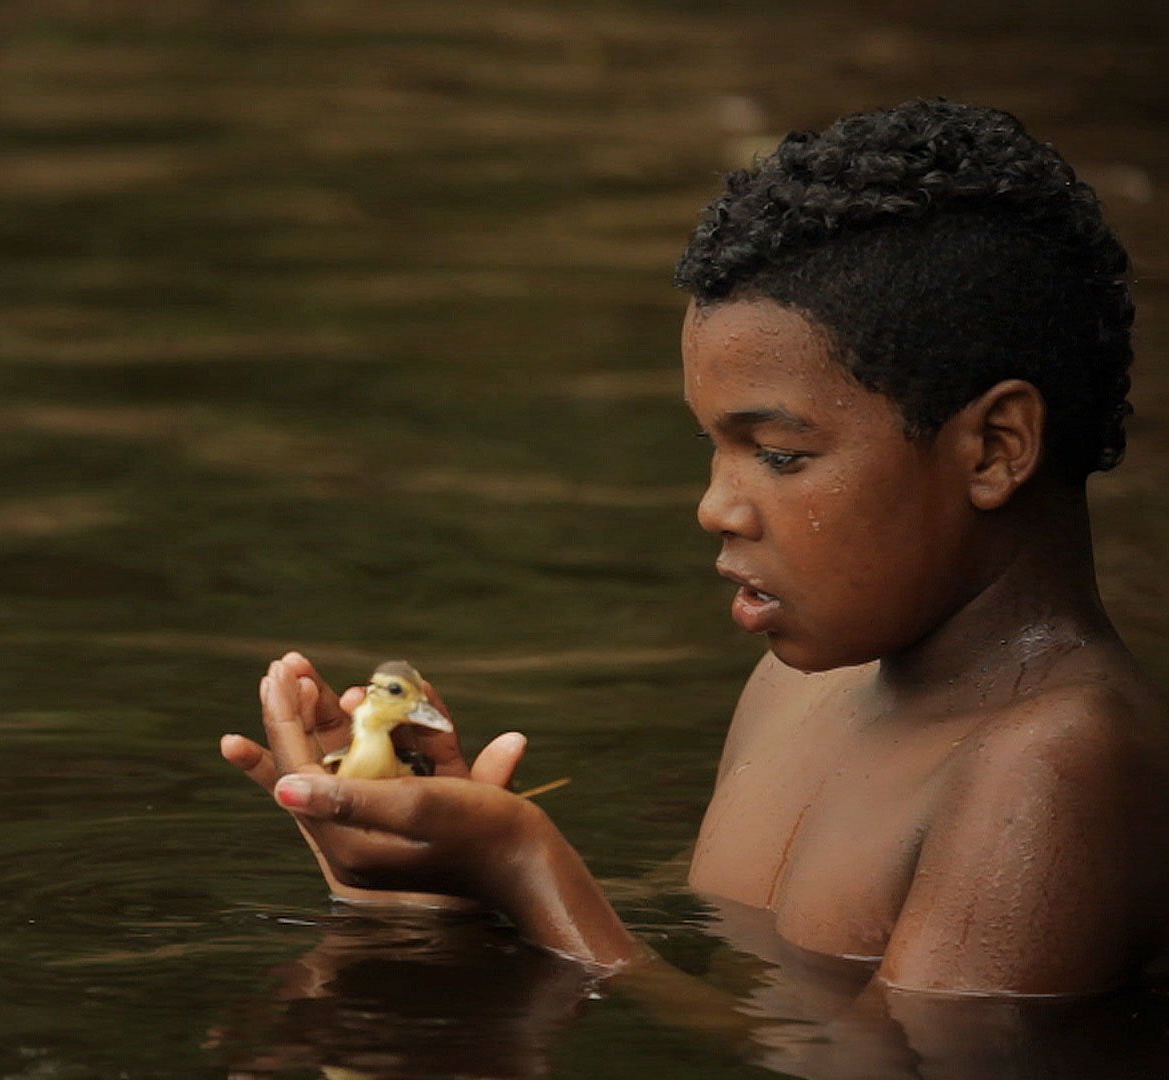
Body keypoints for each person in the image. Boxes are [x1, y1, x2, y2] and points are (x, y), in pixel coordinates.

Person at [220, 98, 1169, 1003]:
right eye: (713, 448)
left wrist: (527, 868)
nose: (716, 507)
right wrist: (438, 884)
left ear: (995, 447)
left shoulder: (1056, 768)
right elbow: (733, 993)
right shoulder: (800, 689)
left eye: (781, 455)